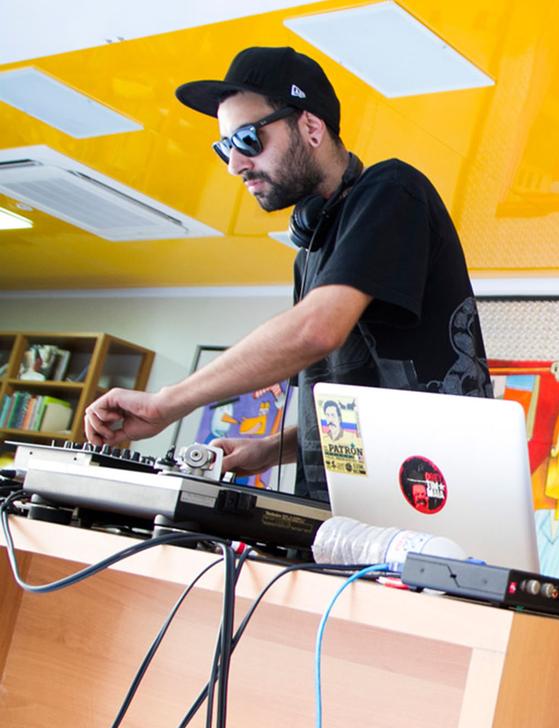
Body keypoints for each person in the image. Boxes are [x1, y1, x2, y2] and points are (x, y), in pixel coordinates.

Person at [84, 47, 491, 502]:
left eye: (247, 140)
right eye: (225, 148)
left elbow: (316, 331)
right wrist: (269, 449)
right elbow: (360, 407)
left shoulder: (391, 191)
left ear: (311, 127)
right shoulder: (310, 255)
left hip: (430, 501)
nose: (235, 164)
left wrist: (168, 402)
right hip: (338, 514)